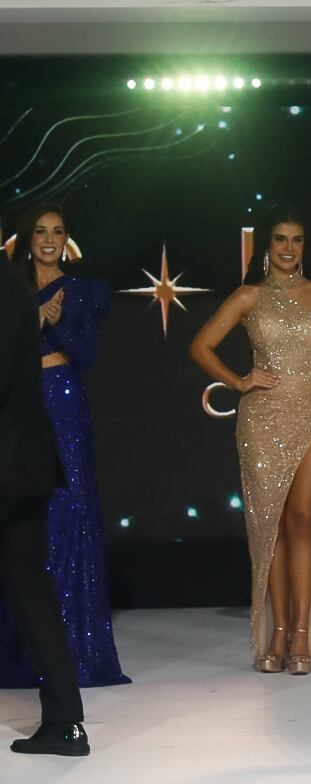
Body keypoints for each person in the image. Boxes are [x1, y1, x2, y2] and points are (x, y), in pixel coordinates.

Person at [189, 207, 311, 674]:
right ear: (266, 245)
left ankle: (301, 633)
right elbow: (200, 346)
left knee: (303, 519)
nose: (288, 249)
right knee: (271, 526)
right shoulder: (248, 296)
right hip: (262, 420)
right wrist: (238, 381)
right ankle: (277, 632)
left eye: (297, 241)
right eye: (280, 239)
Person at [0, 206, 128, 690]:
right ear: (25, 238)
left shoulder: (84, 290)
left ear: (67, 240)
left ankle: (77, 652)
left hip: (66, 404)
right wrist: (30, 317)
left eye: (57, 233)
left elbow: (87, 353)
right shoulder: (11, 288)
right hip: (19, 406)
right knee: (27, 527)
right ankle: (20, 653)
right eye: (40, 231)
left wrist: (54, 324)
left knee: (71, 516)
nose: (49, 240)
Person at [0, 234, 89, 756]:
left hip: (8, 464)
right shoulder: (16, 286)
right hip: (27, 464)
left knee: (30, 589)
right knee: (31, 591)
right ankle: (66, 723)